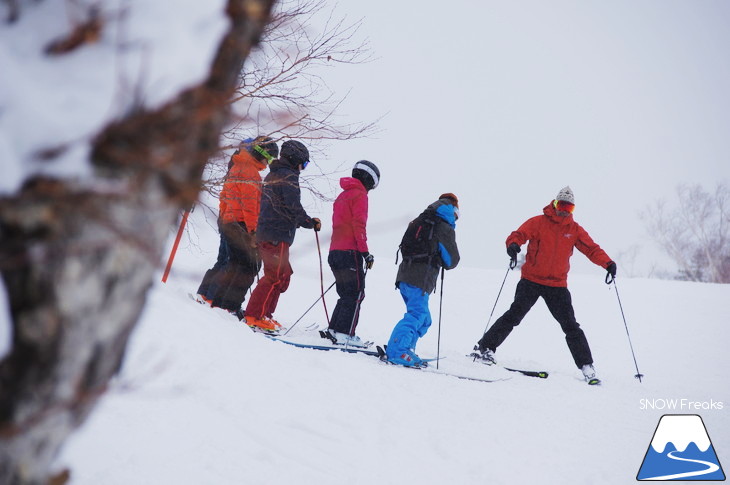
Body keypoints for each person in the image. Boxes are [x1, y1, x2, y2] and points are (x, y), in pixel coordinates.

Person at [471, 186, 617, 383]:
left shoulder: (574, 230)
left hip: (557, 285)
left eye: (570, 207)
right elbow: (518, 234)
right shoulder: (538, 222)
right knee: (514, 315)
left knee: (570, 326)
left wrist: (608, 263)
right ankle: (484, 348)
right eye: (562, 204)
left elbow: (591, 249)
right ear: (555, 203)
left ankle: (586, 366)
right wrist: (513, 245)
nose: (564, 210)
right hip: (531, 280)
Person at [243, 139, 321, 332]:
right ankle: (254, 315)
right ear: (296, 160)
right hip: (276, 233)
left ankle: (265, 314)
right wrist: (309, 222)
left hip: (273, 233)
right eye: (305, 163)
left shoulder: (274, 174)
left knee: (283, 275)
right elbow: (292, 206)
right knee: (274, 276)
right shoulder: (288, 177)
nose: (303, 168)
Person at [196, 136, 277, 318]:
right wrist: (254, 231)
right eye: (270, 158)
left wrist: (224, 218)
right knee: (249, 267)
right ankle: (229, 306)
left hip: (230, 222)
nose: (269, 162)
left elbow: (224, 196)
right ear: (262, 154)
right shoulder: (250, 173)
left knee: (234, 264)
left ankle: (220, 304)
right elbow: (250, 205)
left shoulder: (238, 167)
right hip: (241, 224)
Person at [385, 194, 460, 366]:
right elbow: (452, 260)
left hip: (405, 275)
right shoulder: (443, 226)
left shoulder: (420, 220)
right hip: (420, 278)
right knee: (417, 314)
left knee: (424, 319)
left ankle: (406, 348)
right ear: (453, 210)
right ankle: (398, 351)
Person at [325, 160, 380, 347]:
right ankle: (344, 333)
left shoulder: (343, 195)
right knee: (356, 294)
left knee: (345, 293)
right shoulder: (360, 195)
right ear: (368, 179)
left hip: (335, 252)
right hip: (350, 251)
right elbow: (359, 225)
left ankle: (334, 329)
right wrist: (365, 253)